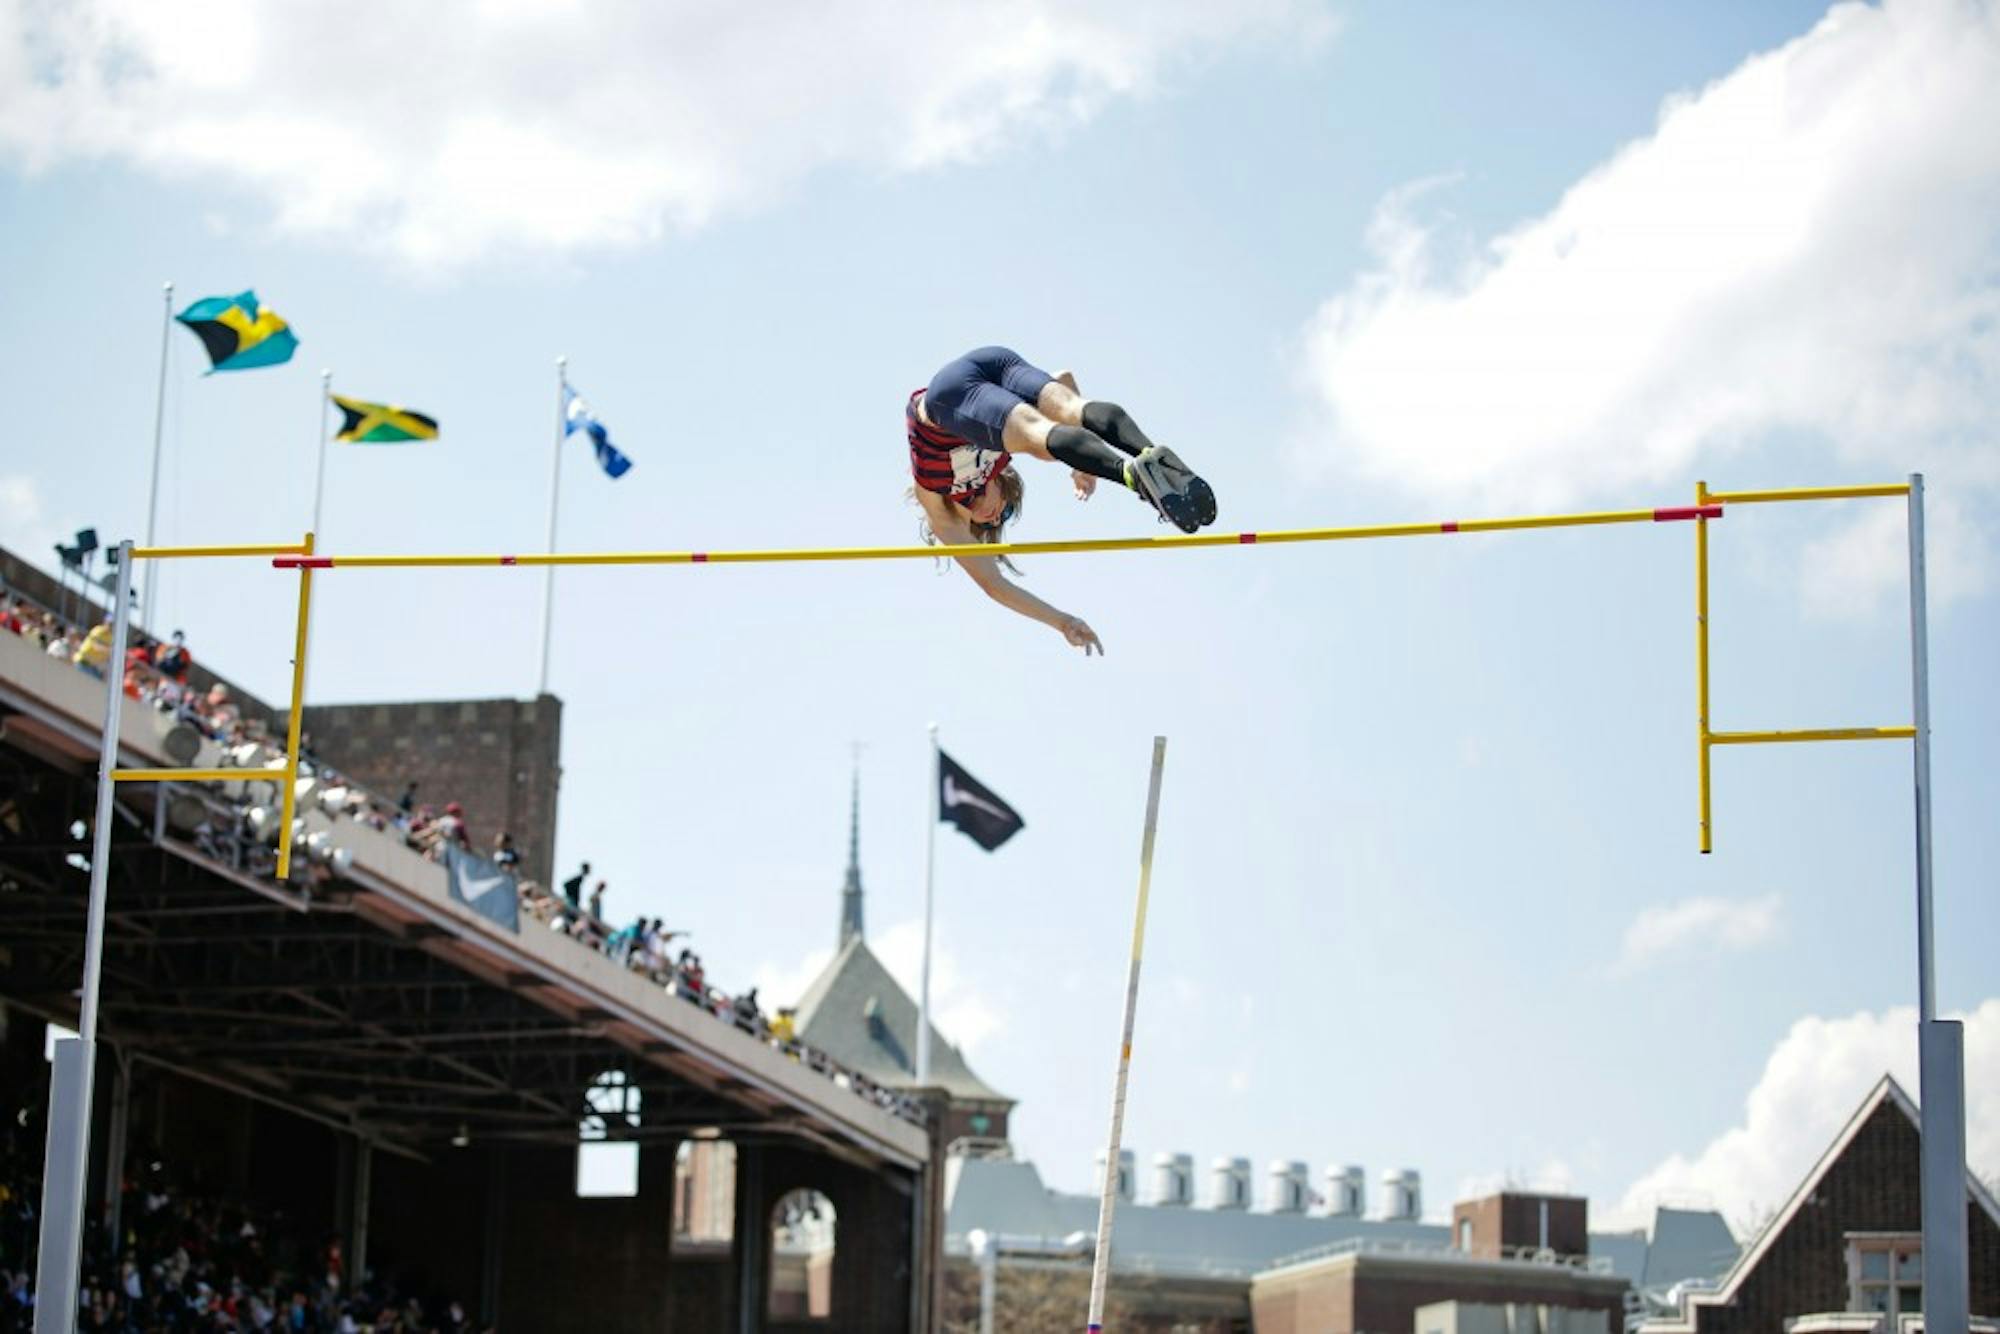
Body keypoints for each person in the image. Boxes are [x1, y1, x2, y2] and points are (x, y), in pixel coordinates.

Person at [907, 346, 1216, 653]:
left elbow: (1060, 387)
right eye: (999, 517)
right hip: (991, 362)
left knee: (1040, 435)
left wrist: (1080, 462)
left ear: (1005, 484)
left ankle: (1135, 476)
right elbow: (994, 583)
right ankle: (1150, 456)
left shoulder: (937, 487)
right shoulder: (945, 502)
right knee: (1067, 412)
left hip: (946, 397)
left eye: (998, 508)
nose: (990, 512)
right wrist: (1061, 621)